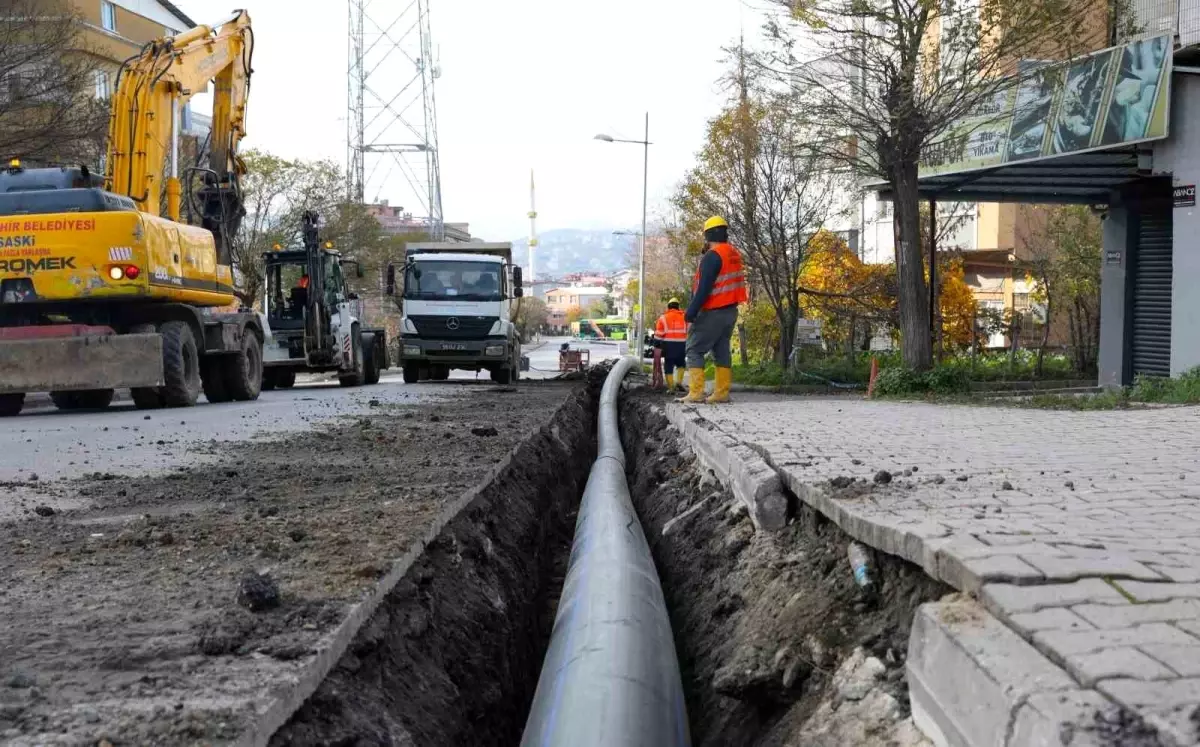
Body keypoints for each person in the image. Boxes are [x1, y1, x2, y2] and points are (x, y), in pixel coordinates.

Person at [679, 215, 748, 404]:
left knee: (694, 349)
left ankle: (696, 392)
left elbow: (704, 289)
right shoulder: (733, 253)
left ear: (707, 235)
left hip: (713, 310)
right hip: (731, 311)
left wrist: (691, 312)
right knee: (721, 350)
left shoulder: (713, 256)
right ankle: (722, 393)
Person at [654, 298, 688, 392]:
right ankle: (679, 382)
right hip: (682, 345)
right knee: (681, 364)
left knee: (668, 366)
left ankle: (671, 387)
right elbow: (689, 331)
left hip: (668, 346)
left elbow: (658, 334)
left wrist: (656, 345)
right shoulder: (685, 317)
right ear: (678, 307)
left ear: (668, 307)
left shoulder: (663, 318)